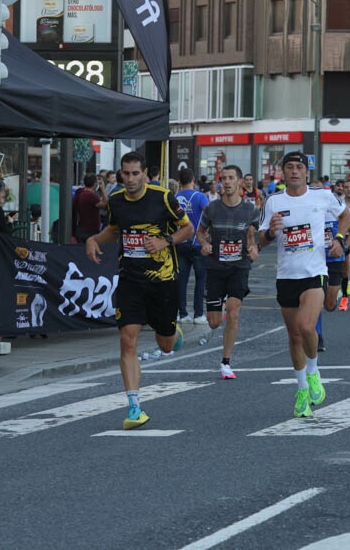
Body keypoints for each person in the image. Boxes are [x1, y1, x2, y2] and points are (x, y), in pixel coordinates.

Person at [85, 151, 191, 429]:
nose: (130, 179)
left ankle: (171, 332)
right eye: (125, 173)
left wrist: (165, 241)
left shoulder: (164, 197)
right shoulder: (116, 201)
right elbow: (114, 230)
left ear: (145, 173)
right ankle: (134, 408)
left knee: (165, 344)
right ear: (120, 174)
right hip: (130, 279)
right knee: (127, 339)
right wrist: (94, 239)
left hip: (163, 280)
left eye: (135, 174)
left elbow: (188, 229)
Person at [258, 151, 350, 418]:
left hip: (315, 272)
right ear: (283, 172)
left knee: (306, 326)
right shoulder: (273, 201)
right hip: (287, 276)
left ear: (306, 172)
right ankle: (301, 390)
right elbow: (259, 239)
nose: (295, 171)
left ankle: (313, 371)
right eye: (290, 167)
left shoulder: (321, 195)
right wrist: (271, 232)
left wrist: (339, 239)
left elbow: (345, 217)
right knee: (294, 336)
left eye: (299, 167)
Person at [197, 165, 260, 379]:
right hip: (215, 267)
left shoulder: (250, 210)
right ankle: (220, 304)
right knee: (214, 322)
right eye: (224, 178)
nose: (227, 182)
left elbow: (255, 234)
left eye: (231, 178)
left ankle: (226, 362)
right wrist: (204, 244)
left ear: (240, 182)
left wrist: (254, 248)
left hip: (239, 266)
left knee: (233, 311)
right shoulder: (212, 208)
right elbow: (200, 232)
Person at [318, 180, 350, 350]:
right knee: (316, 298)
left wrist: (344, 246)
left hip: (335, 260)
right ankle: (317, 336)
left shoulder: (337, 209)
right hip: (316, 261)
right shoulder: (310, 212)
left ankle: (333, 299)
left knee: (329, 304)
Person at [176, 168, 210, 326]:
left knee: (181, 280)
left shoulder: (175, 197)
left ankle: (181, 313)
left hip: (180, 242)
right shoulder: (200, 196)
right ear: (193, 179)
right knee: (200, 279)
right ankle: (198, 314)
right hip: (197, 242)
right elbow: (209, 212)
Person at [72, 173, 108, 242]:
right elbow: (105, 205)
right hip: (91, 230)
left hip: (81, 228)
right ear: (95, 184)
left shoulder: (80, 193)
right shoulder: (90, 196)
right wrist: (103, 189)